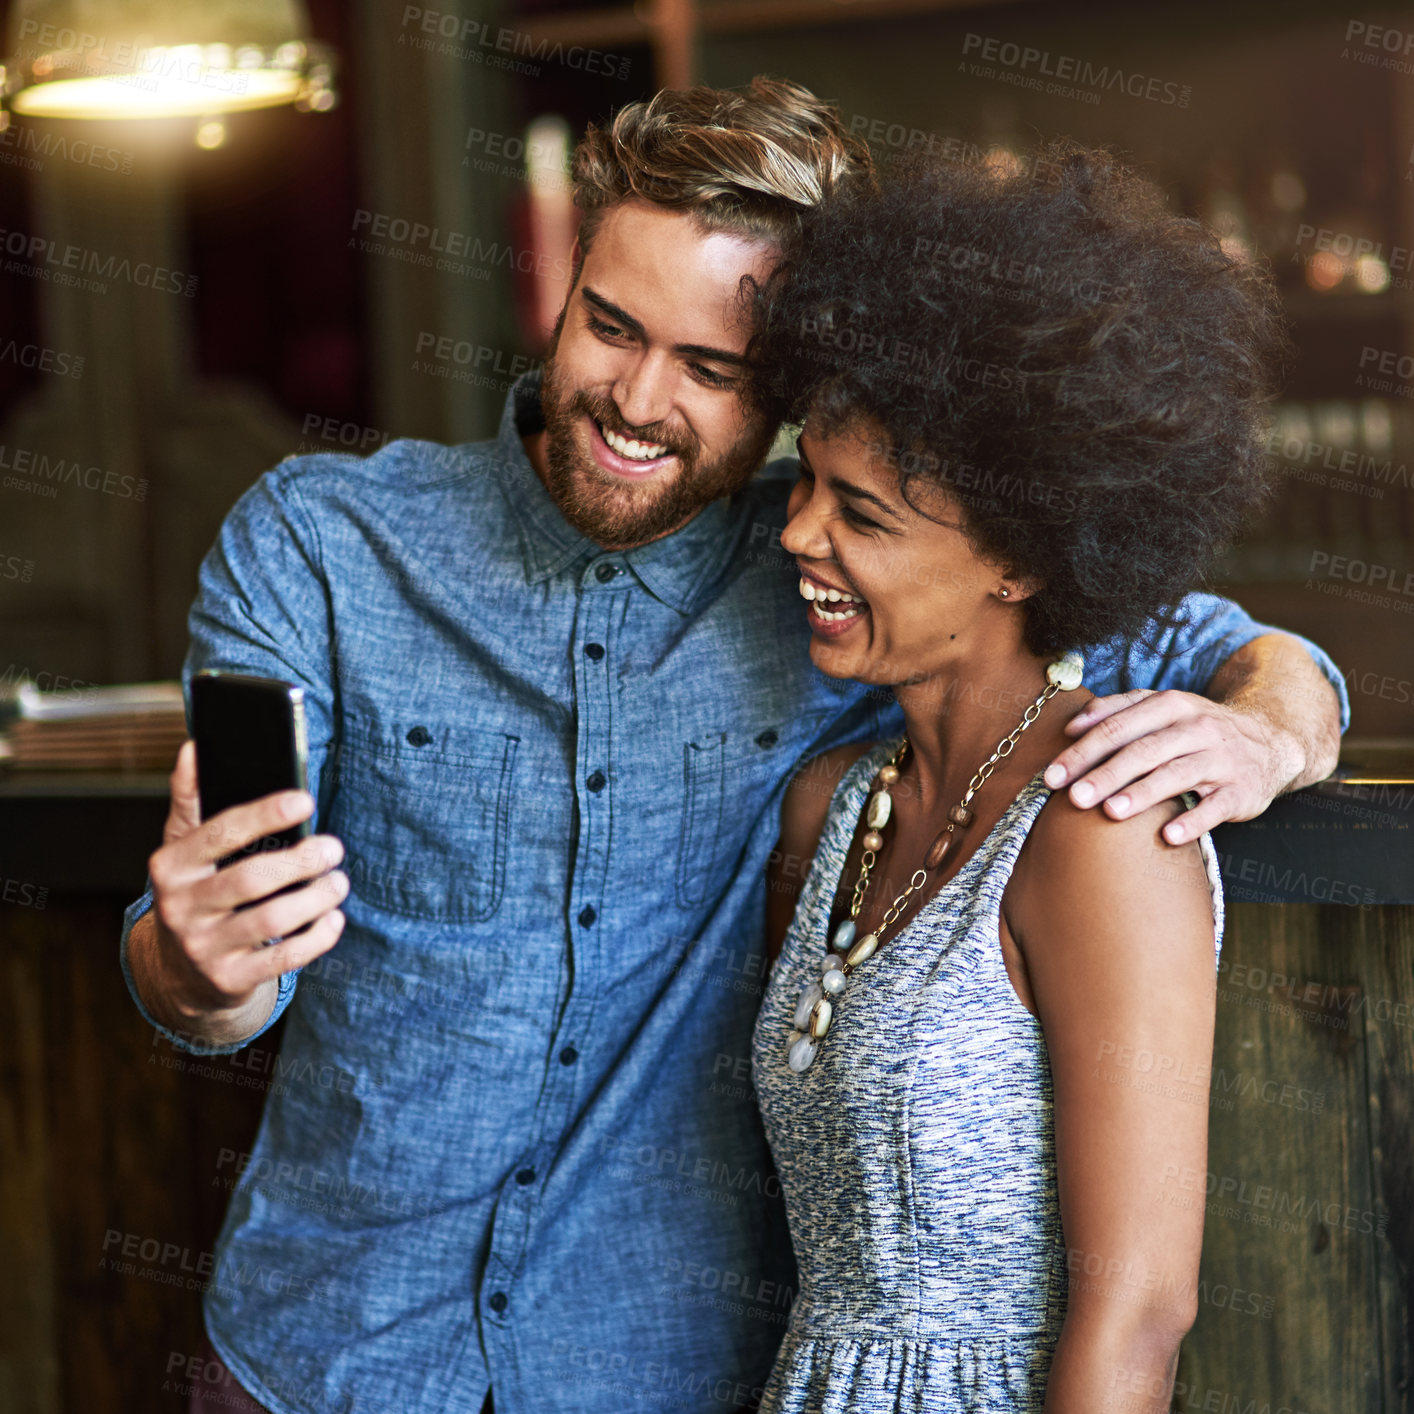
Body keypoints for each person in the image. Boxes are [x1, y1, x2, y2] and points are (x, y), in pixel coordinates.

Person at [118, 80, 1346, 1414]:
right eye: (610, 326)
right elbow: (202, 968)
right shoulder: (324, 541)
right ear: (566, 274)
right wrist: (197, 963)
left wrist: (1271, 728)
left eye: (713, 370)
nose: (637, 400)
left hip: (657, 1375)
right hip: (320, 1358)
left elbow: (1221, 639)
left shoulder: (852, 568)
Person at [750, 145, 1280, 1411]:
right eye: (808, 484)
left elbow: (1140, 1312)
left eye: (861, 515)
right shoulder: (830, 811)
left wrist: (1281, 711)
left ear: (1022, 558)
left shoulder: (1102, 828)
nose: (796, 535)